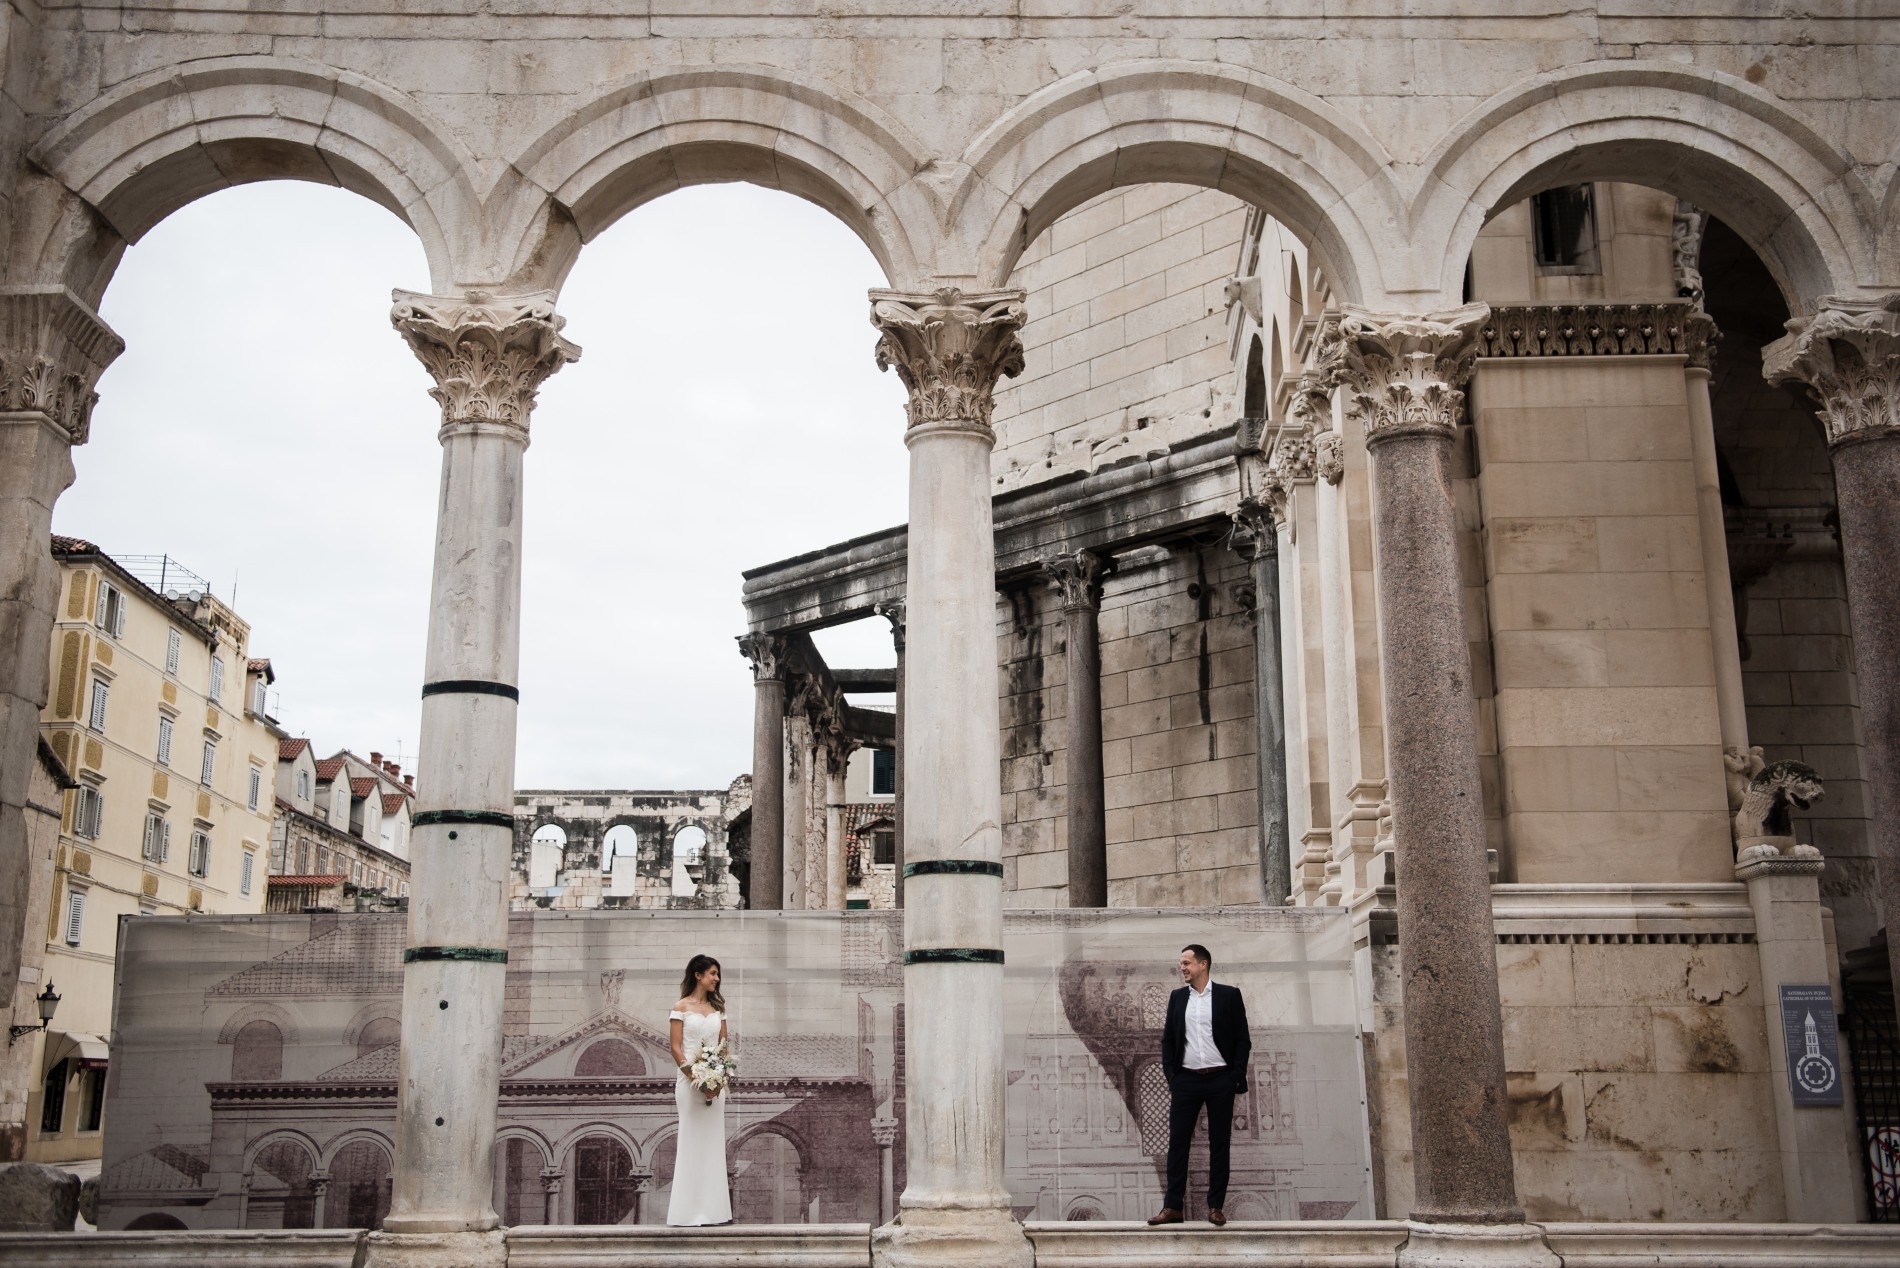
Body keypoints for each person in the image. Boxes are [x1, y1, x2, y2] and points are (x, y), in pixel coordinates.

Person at [1149, 943, 1251, 1227]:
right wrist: (1172, 1076)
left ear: (1202, 964)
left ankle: (1215, 1207)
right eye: (1181, 963)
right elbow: (1168, 1040)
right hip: (1186, 1080)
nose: (1182, 967)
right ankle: (1173, 1207)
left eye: (1186, 963)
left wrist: (1234, 1076)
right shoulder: (1178, 997)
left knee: (1220, 1144)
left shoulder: (1229, 996)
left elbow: (1243, 1039)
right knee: (1177, 1144)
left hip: (1221, 1078)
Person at [666, 953, 732, 1226]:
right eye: (713, 973)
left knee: (713, 1147)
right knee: (691, 1145)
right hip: (689, 1084)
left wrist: (717, 1081)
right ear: (698, 975)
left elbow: (724, 1048)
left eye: (717, 974)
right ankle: (687, 1213)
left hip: (715, 1088)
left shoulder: (720, 1009)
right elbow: (675, 1047)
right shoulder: (680, 1007)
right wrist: (696, 1078)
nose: (716, 979)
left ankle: (714, 1211)